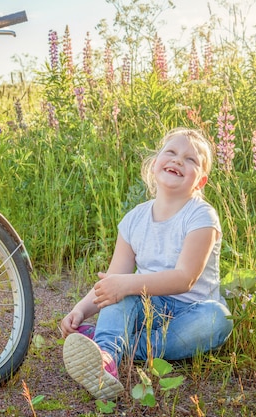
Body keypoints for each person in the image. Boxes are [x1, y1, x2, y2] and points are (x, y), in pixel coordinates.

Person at [60, 127, 233, 399]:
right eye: (172, 153)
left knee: (219, 318)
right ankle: (105, 357)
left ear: (200, 182)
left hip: (190, 313)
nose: (178, 160)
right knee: (120, 290)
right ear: (155, 165)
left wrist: (125, 284)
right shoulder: (134, 220)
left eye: (191, 160)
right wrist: (80, 310)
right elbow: (112, 284)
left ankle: (112, 343)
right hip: (145, 305)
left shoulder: (201, 216)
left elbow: (184, 278)